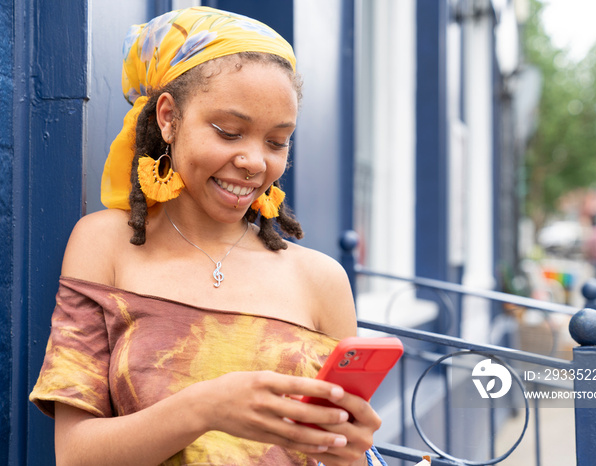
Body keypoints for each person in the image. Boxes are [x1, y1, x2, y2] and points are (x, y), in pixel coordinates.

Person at [29, 7, 384, 466]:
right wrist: (207, 407)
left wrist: (351, 455)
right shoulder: (106, 246)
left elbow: (340, 448)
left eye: (277, 142)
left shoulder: (321, 280)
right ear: (168, 118)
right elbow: (76, 456)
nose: (255, 162)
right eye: (228, 132)